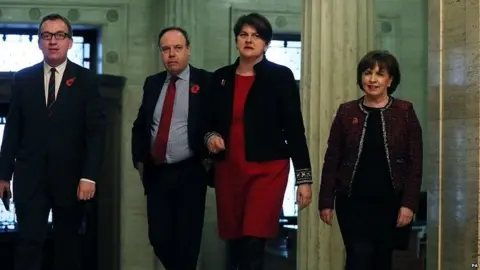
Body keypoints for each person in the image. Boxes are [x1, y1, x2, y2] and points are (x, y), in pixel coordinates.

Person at [205, 13, 313, 270]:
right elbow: (206, 123)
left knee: (254, 238)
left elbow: (295, 128)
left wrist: (304, 178)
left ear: (266, 43)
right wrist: (210, 137)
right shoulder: (221, 78)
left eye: (256, 36)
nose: (249, 40)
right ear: (236, 41)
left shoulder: (280, 76)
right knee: (234, 241)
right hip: (229, 169)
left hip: (268, 169)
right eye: (244, 35)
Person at [0, 13, 105, 270]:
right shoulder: (23, 79)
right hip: (30, 179)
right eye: (47, 36)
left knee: (68, 247)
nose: (53, 41)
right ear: (39, 43)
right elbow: (12, 130)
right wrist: (3, 176)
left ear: (70, 42)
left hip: (71, 181)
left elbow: (95, 133)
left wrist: (89, 176)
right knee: (27, 244)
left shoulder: (87, 80)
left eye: (60, 35)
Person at [318, 50, 423, 270]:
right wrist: (326, 200)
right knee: (358, 256)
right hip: (352, 201)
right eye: (367, 73)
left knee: (381, 260)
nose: (372, 79)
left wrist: (409, 204)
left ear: (390, 80)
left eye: (380, 74)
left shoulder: (405, 111)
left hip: (390, 202)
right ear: (361, 77)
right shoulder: (346, 112)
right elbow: (332, 157)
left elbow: (415, 162)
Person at [131, 26, 212, 270]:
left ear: (188, 50)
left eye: (177, 48)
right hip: (157, 173)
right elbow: (141, 125)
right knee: (159, 239)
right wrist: (140, 161)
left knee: (187, 243)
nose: (171, 54)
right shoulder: (153, 83)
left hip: (190, 172)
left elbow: (217, 122)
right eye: (166, 49)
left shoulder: (205, 82)